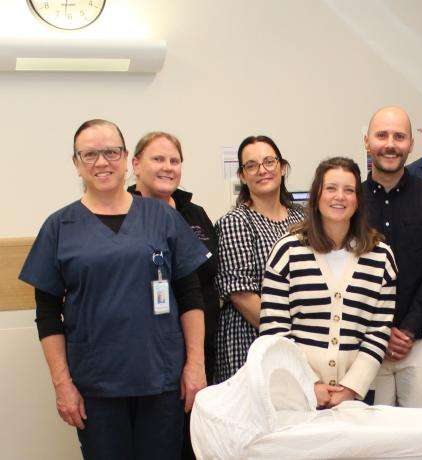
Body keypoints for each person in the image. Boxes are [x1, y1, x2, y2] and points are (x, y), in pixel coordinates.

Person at [19, 119, 210, 459]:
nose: (101, 162)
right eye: (89, 154)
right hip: (97, 386)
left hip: (161, 380)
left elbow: (191, 295)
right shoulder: (59, 226)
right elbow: (47, 314)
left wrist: (195, 366)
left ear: (125, 158)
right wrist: (62, 384)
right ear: (76, 163)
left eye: (110, 152)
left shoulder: (163, 218)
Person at [259, 157, 397, 407]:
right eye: (331, 188)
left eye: (349, 190)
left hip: (356, 396)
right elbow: (274, 330)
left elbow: (378, 332)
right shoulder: (287, 252)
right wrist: (308, 384)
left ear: (358, 200)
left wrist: (351, 388)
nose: (339, 197)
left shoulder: (381, 257)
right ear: (316, 196)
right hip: (296, 394)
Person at [128, 131, 220, 460]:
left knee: (196, 446)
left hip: (201, 353)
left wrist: (198, 360)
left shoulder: (194, 214)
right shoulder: (123, 214)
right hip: (151, 359)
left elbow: (210, 277)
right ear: (136, 165)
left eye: (174, 160)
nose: (168, 167)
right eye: (158, 159)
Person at [362, 106, 422, 408]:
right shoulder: (352, 201)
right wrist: (380, 332)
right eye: (382, 135)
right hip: (364, 340)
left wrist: (409, 329)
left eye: (399, 136)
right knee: (371, 442)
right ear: (366, 141)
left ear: (411, 144)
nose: (390, 144)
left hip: (419, 340)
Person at [213, 135, 304, 383]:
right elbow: (242, 296)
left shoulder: (303, 219)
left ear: (282, 167)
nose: (262, 170)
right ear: (242, 176)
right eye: (251, 165)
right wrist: (291, 340)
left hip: (301, 340)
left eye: (269, 162)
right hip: (251, 342)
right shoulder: (236, 222)